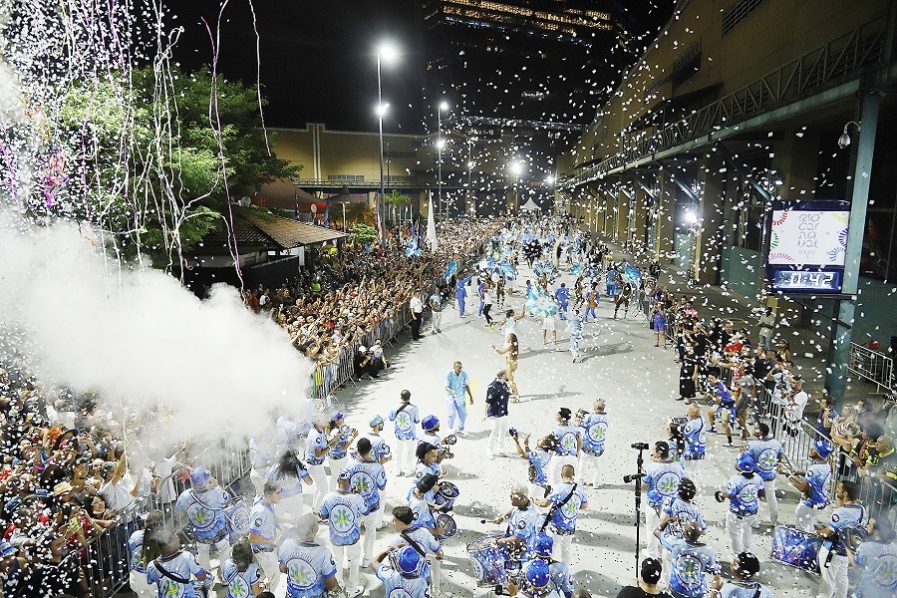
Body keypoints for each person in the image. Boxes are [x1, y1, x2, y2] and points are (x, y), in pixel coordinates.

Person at [341, 437, 388, 567]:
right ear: (370, 449)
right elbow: (382, 486)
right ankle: (367, 559)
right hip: (371, 505)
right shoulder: (377, 467)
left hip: (354, 505)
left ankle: (350, 559)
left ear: (358, 449)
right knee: (370, 531)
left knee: (353, 531)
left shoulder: (350, 464)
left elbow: (343, 484)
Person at [174, 466, 232, 571]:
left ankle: (205, 580)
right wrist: (217, 486)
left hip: (199, 533)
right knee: (224, 551)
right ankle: (226, 575)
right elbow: (228, 499)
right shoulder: (215, 492)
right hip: (219, 531)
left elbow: (178, 511)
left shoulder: (184, 496)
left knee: (202, 554)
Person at [816, 481, 867, 598]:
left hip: (831, 552)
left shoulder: (840, 512)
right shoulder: (861, 509)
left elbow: (829, 532)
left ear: (845, 493)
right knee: (842, 579)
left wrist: (818, 532)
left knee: (827, 582)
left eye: (838, 489)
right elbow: (845, 519)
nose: (836, 490)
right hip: (847, 552)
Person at [319, 472, 367, 597]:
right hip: (353, 537)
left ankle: (339, 589)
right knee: (354, 562)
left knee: (337, 561)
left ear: (337, 482)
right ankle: (352, 589)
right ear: (351, 483)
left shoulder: (329, 496)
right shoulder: (356, 497)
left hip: (336, 537)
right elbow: (365, 511)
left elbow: (322, 515)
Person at [534, 464, 588, 566]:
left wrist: (536, 501)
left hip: (556, 527)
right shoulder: (579, 489)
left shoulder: (558, 488)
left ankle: (551, 571)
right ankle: (566, 572)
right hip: (570, 527)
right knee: (566, 550)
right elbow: (585, 505)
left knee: (553, 549)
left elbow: (545, 504)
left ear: (561, 474)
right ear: (573, 475)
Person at [277, 514, 340, 598]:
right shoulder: (323, 553)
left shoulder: (286, 545)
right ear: (315, 528)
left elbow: (281, 568)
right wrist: (337, 588)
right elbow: (331, 585)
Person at [385, 505, 445, 594]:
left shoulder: (396, 541)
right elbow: (435, 547)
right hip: (423, 574)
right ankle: (435, 592)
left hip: (407, 579)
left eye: (394, 520)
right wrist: (438, 555)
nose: (391, 522)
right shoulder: (424, 531)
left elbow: (392, 560)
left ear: (401, 523)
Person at [716, 453, 765, 560]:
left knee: (734, 534)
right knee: (747, 529)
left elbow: (731, 494)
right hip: (752, 512)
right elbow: (762, 494)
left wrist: (721, 494)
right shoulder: (758, 478)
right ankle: (747, 552)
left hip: (736, 513)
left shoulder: (735, 479)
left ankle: (738, 556)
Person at [642, 442, 686, 558]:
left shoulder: (652, 468)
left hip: (654, 504)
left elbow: (643, 486)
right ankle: (664, 551)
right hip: (671, 505)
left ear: (658, 453)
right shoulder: (678, 466)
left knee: (652, 529)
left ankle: (652, 553)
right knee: (666, 529)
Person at [656, 522, 720, 598]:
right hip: (698, 592)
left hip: (677, 589)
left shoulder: (675, 544)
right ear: (700, 534)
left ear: (685, 532)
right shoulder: (708, 551)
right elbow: (715, 573)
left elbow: (657, 532)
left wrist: (668, 521)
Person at [146, 527, 209, 598]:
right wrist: (203, 571)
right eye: (176, 538)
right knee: (202, 588)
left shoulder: (151, 566)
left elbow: (151, 585)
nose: (179, 539)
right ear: (169, 543)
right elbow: (201, 577)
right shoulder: (185, 556)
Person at [789, 439, 833, 532]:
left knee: (803, 532)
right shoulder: (826, 465)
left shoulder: (814, 469)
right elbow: (815, 477)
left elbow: (803, 488)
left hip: (808, 505)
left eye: (814, 449)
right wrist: (799, 473)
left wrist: (790, 477)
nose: (810, 449)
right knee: (808, 527)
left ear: (819, 453)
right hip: (820, 503)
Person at [744, 423, 783, 526]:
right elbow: (779, 457)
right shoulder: (776, 443)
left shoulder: (752, 445)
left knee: (753, 498)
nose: (753, 429)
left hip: (756, 477)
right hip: (770, 476)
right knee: (772, 498)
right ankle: (774, 521)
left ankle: (753, 521)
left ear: (760, 432)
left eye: (755, 428)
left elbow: (746, 462)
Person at [249, 481, 283, 590]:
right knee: (275, 580)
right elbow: (252, 537)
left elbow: (271, 518)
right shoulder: (260, 511)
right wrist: (272, 541)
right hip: (264, 552)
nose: (280, 495)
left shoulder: (267, 503)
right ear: (269, 495)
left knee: (267, 577)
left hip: (267, 550)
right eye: (278, 493)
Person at [852, 518, 897, 598]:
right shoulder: (894, 547)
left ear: (876, 532)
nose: (866, 526)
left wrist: (846, 544)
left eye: (869, 525)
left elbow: (855, 565)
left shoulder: (865, 547)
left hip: (869, 593)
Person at [268, 451, 313, 520]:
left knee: (278, 522)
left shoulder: (275, 467)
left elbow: (269, 484)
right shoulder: (297, 466)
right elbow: (309, 482)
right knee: (297, 521)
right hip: (296, 498)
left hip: (280, 498)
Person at [305, 415, 336, 512]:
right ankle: (317, 512)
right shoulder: (316, 435)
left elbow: (325, 444)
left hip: (315, 465)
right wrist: (331, 448)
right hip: (315, 465)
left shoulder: (319, 431)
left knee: (319, 487)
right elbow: (318, 454)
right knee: (324, 489)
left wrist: (335, 439)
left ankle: (315, 507)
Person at [512, 433, 556, 501]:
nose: (539, 439)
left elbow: (522, 455)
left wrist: (517, 442)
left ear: (544, 445)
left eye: (542, 439)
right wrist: (526, 445)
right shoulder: (545, 453)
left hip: (536, 487)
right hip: (542, 486)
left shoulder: (538, 454)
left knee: (531, 506)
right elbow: (531, 456)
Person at [389, 390, 420, 478]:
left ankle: (397, 470)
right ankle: (408, 470)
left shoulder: (395, 406)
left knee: (397, 451)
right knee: (410, 452)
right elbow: (417, 421)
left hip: (398, 433)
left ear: (400, 397)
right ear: (409, 397)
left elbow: (391, 418)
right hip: (410, 433)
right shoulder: (414, 408)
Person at [577, 400, 608, 487]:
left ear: (596, 407)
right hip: (599, 448)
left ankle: (580, 480)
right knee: (596, 467)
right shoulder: (606, 418)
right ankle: (595, 483)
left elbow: (582, 424)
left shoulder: (591, 417)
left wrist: (579, 418)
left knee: (582, 463)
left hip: (587, 446)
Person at [550, 408, 582, 485]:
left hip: (559, 457)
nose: (556, 415)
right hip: (571, 457)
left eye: (558, 414)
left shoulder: (556, 429)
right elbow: (579, 440)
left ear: (562, 417)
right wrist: (577, 451)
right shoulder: (574, 427)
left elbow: (552, 444)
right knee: (572, 481)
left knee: (554, 481)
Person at [485, 370, 512, 459]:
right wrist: (484, 414)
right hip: (494, 413)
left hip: (503, 412)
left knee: (503, 431)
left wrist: (511, 389)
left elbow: (507, 394)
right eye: (505, 376)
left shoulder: (504, 384)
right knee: (495, 430)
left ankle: (501, 449)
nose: (506, 377)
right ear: (501, 376)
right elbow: (487, 402)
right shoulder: (493, 387)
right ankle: (489, 449)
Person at [706, 374, 737, 447]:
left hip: (727, 405)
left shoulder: (720, 387)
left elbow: (717, 400)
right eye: (709, 377)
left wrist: (710, 397)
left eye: (712, 378)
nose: (710, 379)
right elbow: (709, 393)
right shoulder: (709, 384)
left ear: (716, 379)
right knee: (710, 413)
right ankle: (713, 428)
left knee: (724, 423)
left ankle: (730, 441)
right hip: (720, 403)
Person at [445, 361, 474, 436]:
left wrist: (471, 396)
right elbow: (446, 387)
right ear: (454, 367)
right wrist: (452, 391)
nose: (459, 369)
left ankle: (460, 429)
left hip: (461, 397)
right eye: (457, 367)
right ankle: (450, 428)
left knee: (464, 414)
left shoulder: (464, 374)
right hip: (451, 397)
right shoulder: (449, 374)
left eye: (460, 367)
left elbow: (467, 385)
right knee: (452, 414)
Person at [681, 405, 707, 487]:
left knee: (687, 469)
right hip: (700, 448)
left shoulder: (694, 423)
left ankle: (688, 487)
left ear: (693, 413)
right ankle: (695, 485)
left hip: (692, 449)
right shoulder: (701, 419)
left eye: (689, 410)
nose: (687, 412)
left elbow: (684, 433)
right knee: (694, 469)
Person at [493, 333, 521, 402]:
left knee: (510, 381)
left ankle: (516, 397)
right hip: (512, 364)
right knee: (507, 378)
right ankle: (513, 392)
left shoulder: (510, 346)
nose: (507, 338)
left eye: (509, 337)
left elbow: (501, 352)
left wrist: (495, 348)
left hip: (510, 364)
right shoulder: (512, 346)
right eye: (507, 336)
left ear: (512, 339)